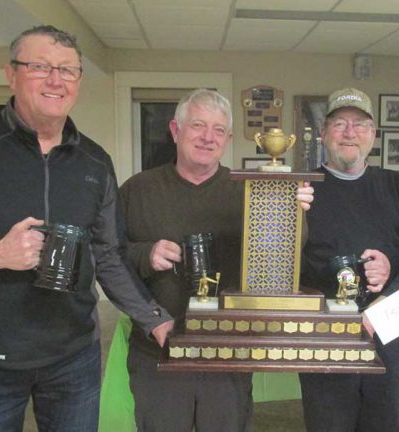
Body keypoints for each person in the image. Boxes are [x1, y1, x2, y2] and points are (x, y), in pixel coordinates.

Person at [0, 25, 174, 432]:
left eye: (68, 70)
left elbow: (107, 254)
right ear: (11, 74)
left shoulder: (95, 162)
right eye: (40, 66)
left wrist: (153, 317)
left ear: (78, 80)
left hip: (74, 358)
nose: (56, 80)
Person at [118, 88, 313, 432]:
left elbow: (285, 255)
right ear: (176, 130)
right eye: (198, 125)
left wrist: (291, 212)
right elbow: (109, 257)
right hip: (160, 349)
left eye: (219, 130)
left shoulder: (250, 190)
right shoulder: (137, 190)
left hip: (229, 350)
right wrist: (145, 254)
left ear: (228, 139)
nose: (208, 137)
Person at [299, 88, 399, 432]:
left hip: (385, 332)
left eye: (360, 124)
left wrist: (391, 268)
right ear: (323, 133)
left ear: (373, 135)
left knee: (384, 424)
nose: (350, 133)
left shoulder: (396, 186)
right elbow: (282, 268)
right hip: (323, 336)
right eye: (340, 124)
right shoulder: (302, 189)